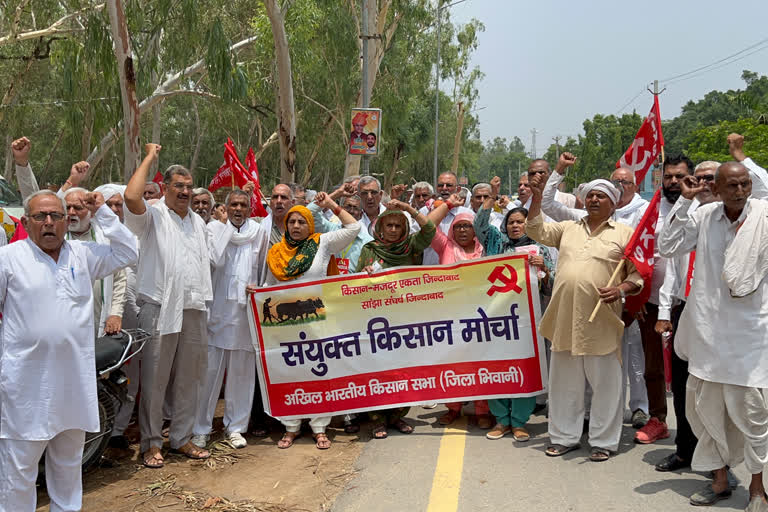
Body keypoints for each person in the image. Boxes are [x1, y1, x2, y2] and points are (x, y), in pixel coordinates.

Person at [0, 189, 137, 511]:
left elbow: (129, 252)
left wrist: (102, 211)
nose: (49, 223)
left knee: (67, 467)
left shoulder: (83, 254)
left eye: (56, 216)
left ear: (67, 220)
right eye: (40, 217)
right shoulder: (9, 258)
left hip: (73, 385)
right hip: (26, 387)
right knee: (18, 472)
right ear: (26, 221)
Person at [659, 162, 768, 511]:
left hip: (752, 335)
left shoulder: (764, 217)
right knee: (706, 411)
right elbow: (668, 245)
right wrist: (685, 202)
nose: (740, 191)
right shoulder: (704, 216)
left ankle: (756, 489)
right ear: (717, 190)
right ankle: (719, 480)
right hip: (708, 332)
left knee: (754, 415)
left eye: (744, 184)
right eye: (732, 186)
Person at [526, 176, 643, 462]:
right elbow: (534, 228)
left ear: (613, 204)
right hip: (565, 318)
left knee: (606, 384)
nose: (593, 200)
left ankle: (603, 441)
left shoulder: (625, 234)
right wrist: (538, 199)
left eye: (601, 196)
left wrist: (620, 289)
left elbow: (637, 274)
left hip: (601, 320)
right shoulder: (567, 229)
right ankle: (564, 437)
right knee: (565, 383)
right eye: (590, 195)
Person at [124, 144, 213, 468]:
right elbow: (131, 197)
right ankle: (150, 443)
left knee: (190, 378)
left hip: (193, 306)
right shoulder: (154, 215)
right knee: (155, 379)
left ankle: (181, 438)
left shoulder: (197, 223)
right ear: (165, 188)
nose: (186, 192)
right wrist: (149, 156)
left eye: (190, 187)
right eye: (179, 186)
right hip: (160, 307)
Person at [265, 195, 361, 449]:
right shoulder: (276, 252)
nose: (296, 226)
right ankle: (291, 427)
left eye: (301, 222)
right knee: (290, 373)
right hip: (286, 326)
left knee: (319, 372)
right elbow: (268, 287)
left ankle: (319, 428)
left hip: (318, 322)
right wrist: (257, 291)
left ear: (311, 225)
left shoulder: (322, 243)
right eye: (292, 222)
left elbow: (354, 228)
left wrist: (330, 204)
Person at [474, 176, 554, 441]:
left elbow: (549, 287)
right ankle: (501, 420)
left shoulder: (539, 248)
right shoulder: (496, 243)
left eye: (520, 222)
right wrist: (493, 196)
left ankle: (519, 420)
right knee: (497, 366)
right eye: (511, 222)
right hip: (496, 319)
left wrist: (543, 268)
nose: (516, 226)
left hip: (527, 323)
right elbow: (479, 224)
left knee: (524, 368)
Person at [653, 160, 720, 473]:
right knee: (682, 389)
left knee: (714, 390)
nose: (704, 183)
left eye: (711, 178)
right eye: (699, 178)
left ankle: (719, 462)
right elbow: (669, 261)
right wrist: (665, 311)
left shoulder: (741, 217)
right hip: (686, 311)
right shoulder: (690, 216)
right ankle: (685, 451)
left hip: (722, 317)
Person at [193, 185, 269, 450]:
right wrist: (224, 226)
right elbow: (214, 260)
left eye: (243, 205)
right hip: (217, 311)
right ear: (226, 207)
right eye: (233, 205)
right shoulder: (213, 229)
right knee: (208, 374)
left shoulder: (258, 232)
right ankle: (200, 427)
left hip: (244, 313)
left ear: (250, 209)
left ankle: (236, 427)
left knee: (242, 374)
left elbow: (261, 269)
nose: (238, 209)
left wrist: (257, 290)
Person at [357, 199, 436, 439]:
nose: (392, 230)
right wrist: (363, 274)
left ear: (404, 229)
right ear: (380, 228)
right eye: (388, 225)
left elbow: (430, 230)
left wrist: (408, 208)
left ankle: (397, 416)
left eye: (397, 226)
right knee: (379, 370)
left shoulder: (412, 246)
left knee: (404, 370)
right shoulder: (369, 250)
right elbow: (356, 285)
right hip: (377, 322)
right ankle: (377, 419)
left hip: (405, 320)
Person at [426, 194, 493, 429]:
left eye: (467, 226)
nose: (463, 230)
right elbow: (427, 226)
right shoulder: (444, 246)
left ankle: (482, 409)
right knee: (452, 363)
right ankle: (453, 408)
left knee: (479, 362)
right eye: (458, 226)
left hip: (480, 317)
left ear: (475, 230)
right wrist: (448, 205)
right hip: (449, 317)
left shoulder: (486, 249)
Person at [63, 185, 128, 337]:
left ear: (91, 213)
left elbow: (119, 279)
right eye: (68, 207)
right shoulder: (55, 240)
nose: (71, 213)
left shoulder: (106, 239)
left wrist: (115, 313)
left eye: (77, 208)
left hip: (98, 318)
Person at [308, 193, 372, 274]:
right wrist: (336, 194)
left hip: (351, 285)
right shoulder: (329, 230)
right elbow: (308, 213)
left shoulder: (368, 242)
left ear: (361, 214)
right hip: (327, 284)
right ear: (340, 210)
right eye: (348, 206)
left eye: (355, 208)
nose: (351, 211)